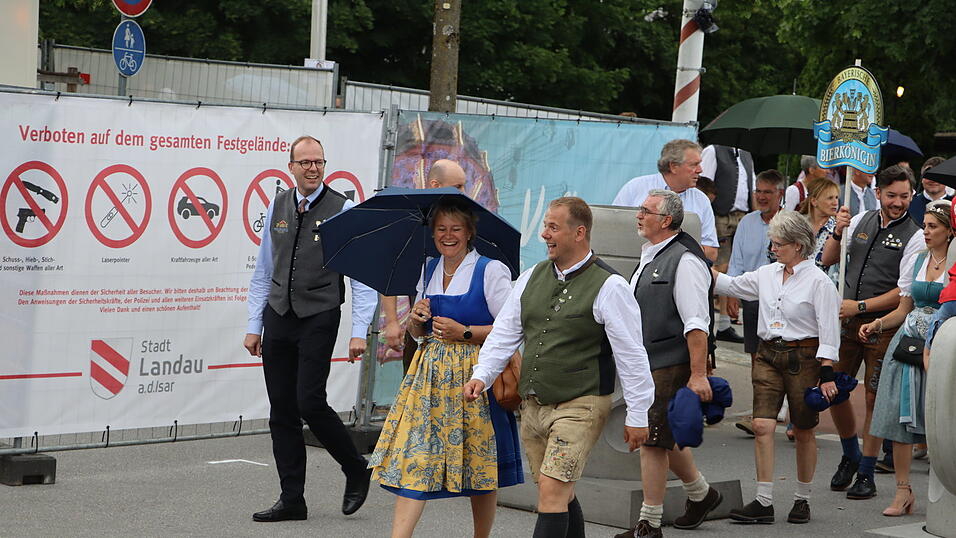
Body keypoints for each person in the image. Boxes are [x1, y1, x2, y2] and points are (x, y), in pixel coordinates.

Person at [462, 197, 655, 538]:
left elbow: (632, 356)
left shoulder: (610, 286)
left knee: (551, 492)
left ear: (579, 232)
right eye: (545, 226)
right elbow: (506, 332)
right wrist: (482, 375)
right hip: (535, 402)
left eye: (553, 227)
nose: (544, 234)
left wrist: (638, 414)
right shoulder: (531, 278)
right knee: (560, 492)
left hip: (581, 403)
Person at [368, 198, 522, 538]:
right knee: (416, 457)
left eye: (455, 229)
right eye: (441, 229)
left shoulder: (490, 270)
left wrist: (465, 332)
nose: (447, 236)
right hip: (430, 380)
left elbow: (511, 327)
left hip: (475, 377)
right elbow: (418, 333)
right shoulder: (426, 269)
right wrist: (416, 320)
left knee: (480, 465)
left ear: (469, 233)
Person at [244, 135, 377, 522]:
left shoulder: (343, 208)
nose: (313, 168)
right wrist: (255, 325)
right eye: (305, 162)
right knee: (281, 410)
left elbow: (362, 279)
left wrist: (358, 331)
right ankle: (292, 499)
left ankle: (355, 467)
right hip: (278, 314)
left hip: (319, 313)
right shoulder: (278, 204)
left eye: (318, 161)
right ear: (291, 167)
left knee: (310, 402)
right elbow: (263, 270)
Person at [716, 210, 841, 524]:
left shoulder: (819, 282)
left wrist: (827, 372)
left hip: (805, 358)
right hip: (768, 355)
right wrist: (694, 263)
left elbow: (829, 330)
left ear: (798, 245)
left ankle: (802, 498)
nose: (772, 248)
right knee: (762, 426)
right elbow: (729, 284)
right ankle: (764, 500)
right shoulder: (767, 274)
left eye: (778, 243)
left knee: (802, 430)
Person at [819, 164, 925, 500]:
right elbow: (827, 258)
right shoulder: (861, 218)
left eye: (905, 196)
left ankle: (867, 468)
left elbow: (902, 292)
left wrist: (861, 308)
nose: (898, 202)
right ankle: (850, 452)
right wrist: (837, 230)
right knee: (832, 389)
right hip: (846, 321)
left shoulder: (916, 235)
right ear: (877, 192)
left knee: (873, 397)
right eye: (891, 195)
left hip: (883, 323)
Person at [619, 189, 721, 537]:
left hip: (670, 362)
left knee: (651, 440)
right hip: (647, 361)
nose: (638, 215)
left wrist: (697, 374)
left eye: (645, 211)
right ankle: (702, 495)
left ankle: (649, 523)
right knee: (664, 436)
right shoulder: (652, 254)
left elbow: (696, 323)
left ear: (665, 220)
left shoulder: (686, 261)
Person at [865, 201, 953, 516]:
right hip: (908, 341)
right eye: (925, 226)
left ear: (949, 230)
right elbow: (903, 310)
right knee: (899, 414)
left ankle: (944, 490)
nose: (926, 232)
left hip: (942, 344)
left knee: (942, 416)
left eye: (933, 227)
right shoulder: (916, 261)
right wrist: (876, 323)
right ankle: (903, 491)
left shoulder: (955, 261)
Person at [381, 159, 468, 373]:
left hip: (459, 339)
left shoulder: (468, 222)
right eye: (458, 186)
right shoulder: (410, 218)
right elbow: (389, 274)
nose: (463, 192)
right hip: (419, 331)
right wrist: (392, 321)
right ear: (436, 186)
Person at [613, 139, 719, 262]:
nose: (700, 170)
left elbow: (711, 252)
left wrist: (670, 251)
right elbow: (613, 233)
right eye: (693, 165)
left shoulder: (701, 200)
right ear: (673, 166)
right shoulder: (634, 188)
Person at [700, 145, 754, 344]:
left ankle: (724, 323)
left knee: (731, 269)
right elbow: (703, 185)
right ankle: (708, 323)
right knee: (716, 267)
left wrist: (754, 216)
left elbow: (751, 186)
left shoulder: (746, 154)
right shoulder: (714, 151)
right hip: (719, 215)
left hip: (741, 216)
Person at [797, 176, 840, 273]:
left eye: (836, 197)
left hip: (826, 284)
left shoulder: (839, 228)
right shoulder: (798, 224)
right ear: (814, 201)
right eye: (830, 198)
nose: (835, 202)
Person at [908, 157, 952, 226]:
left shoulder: (953, 205)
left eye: (938, 175)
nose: (933, 180)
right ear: (922, 178)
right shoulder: (909, 203)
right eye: (929, 175)